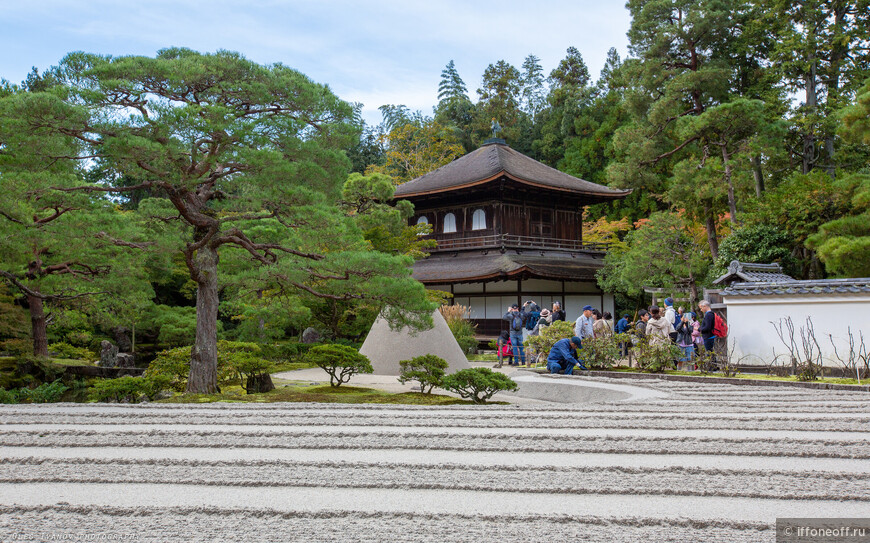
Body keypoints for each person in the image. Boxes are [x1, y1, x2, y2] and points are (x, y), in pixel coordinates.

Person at [698, 300, 716, 364]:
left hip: (708, 336)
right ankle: (713, 365)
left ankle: (711, 366)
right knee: (711, 352)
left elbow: (707, 327)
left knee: (709, 352)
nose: (701, 310)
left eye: (701, 308)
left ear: (705, 306)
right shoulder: (710, 314)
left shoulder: (709, 315)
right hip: (710, 336)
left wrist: (699, 329)